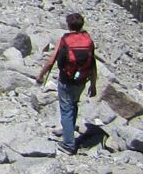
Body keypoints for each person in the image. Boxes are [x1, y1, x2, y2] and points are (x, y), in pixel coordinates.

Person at [35, 12, 97, 154]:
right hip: (82, 80)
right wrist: (93, 85)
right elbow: (93, 64)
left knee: (66, 109)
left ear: (68, 25)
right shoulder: (88, 40)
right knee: (73, 105)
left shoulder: (65, 39)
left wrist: (41, 75)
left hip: (66, 80)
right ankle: (69, 131)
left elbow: (51, 60)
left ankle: (68, 144)